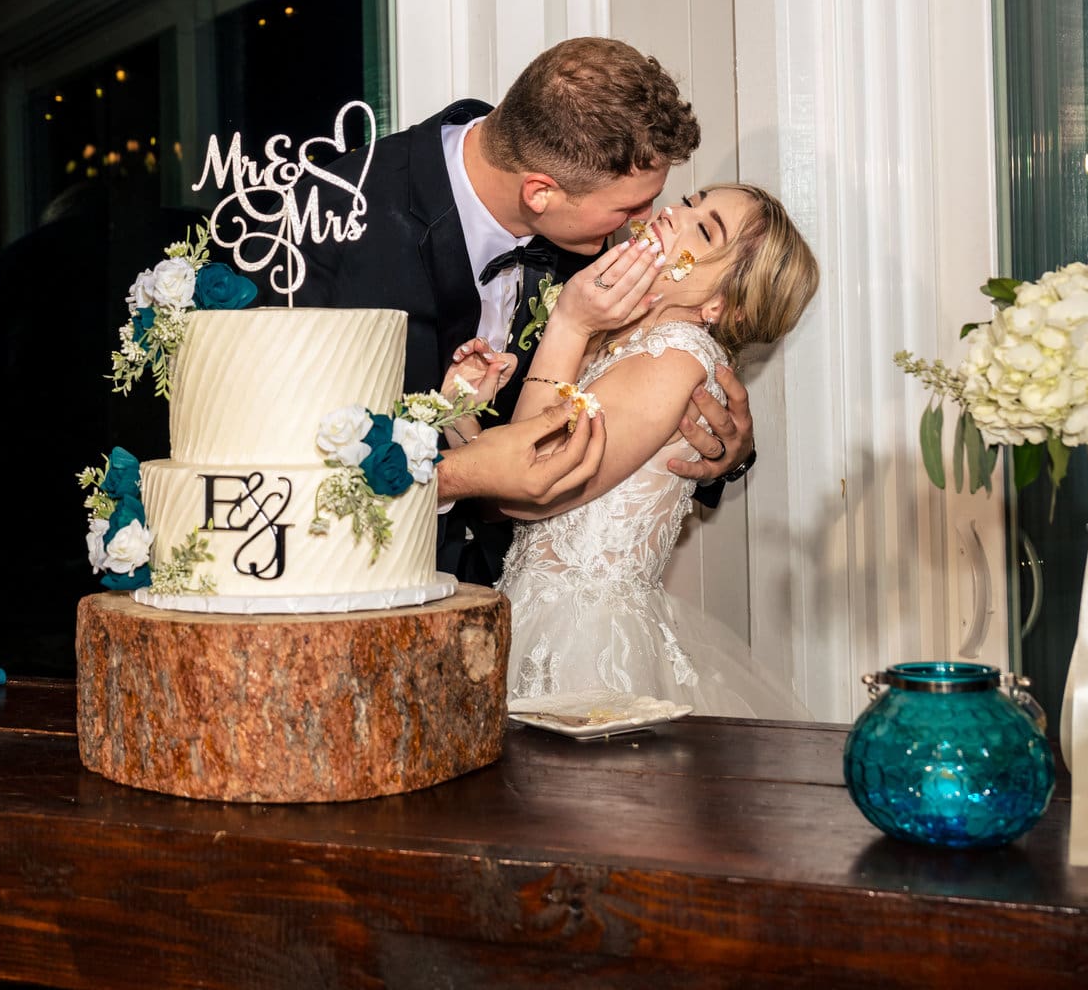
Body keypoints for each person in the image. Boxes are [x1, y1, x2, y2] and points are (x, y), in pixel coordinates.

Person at [294, 38, 756, 583]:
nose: (646, 221)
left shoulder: (581, 185)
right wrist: (461, 475)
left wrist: (723, 453)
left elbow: (635, 388)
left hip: (527, 592)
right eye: (629, 207)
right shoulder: (332, 228)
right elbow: (284, 464)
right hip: (371, 583)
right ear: (539, 193)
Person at [443, 184, 819, 717]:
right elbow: (501, 491)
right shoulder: (619, 338)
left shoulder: (675, 359)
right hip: (524, 606)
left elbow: (527, 488)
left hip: (583, 644)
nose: (673, 214)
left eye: (704, 229)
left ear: (722, 305)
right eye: (690, 202)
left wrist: (568, 323)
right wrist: (460, 412)